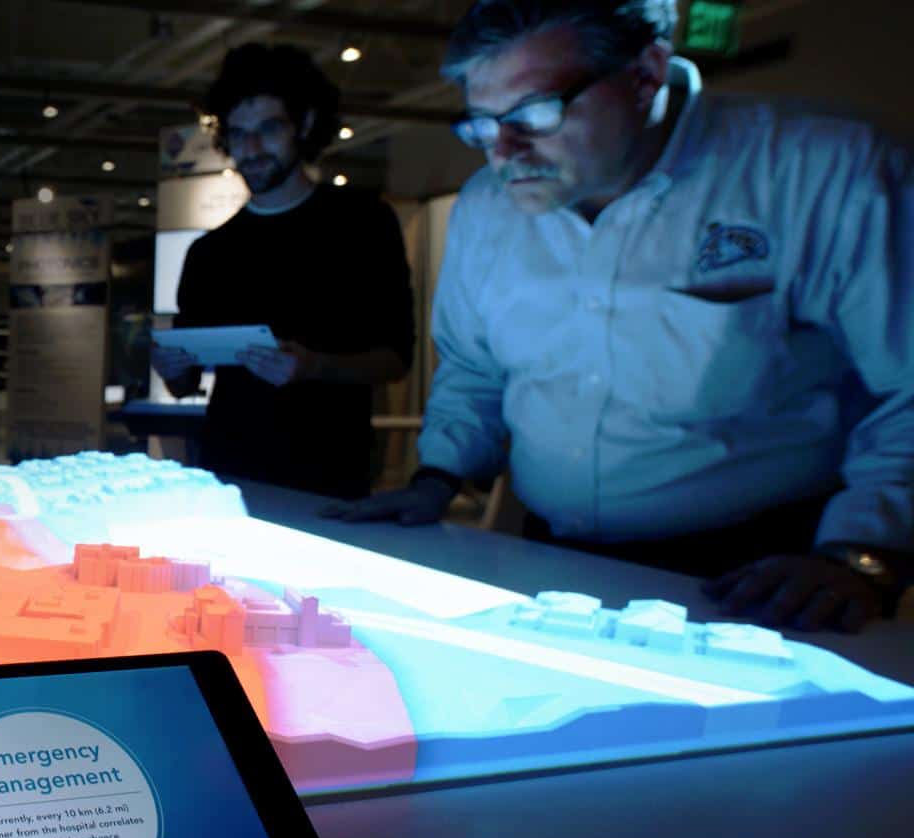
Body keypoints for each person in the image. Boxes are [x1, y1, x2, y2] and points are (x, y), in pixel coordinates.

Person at [326, 0, 912, 632]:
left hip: (758, 572)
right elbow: (474, 368)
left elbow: (906, 388)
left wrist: (863, 552)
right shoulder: (486, 207)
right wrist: (436, 479)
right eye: (482, 124)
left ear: (645, 74)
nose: (503, 152)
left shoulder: (823, 172)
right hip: (550, 557)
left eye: (533, 114)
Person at [152, 43, 416, 500]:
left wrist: (316, 367)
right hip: (228, 474)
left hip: (329, 475)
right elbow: (184, 384)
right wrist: (170, 366)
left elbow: (396, 359)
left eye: (269, 129)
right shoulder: (209, 252)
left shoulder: (363, 224)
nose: (251, 149)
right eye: (239, 134)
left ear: (305, 124)